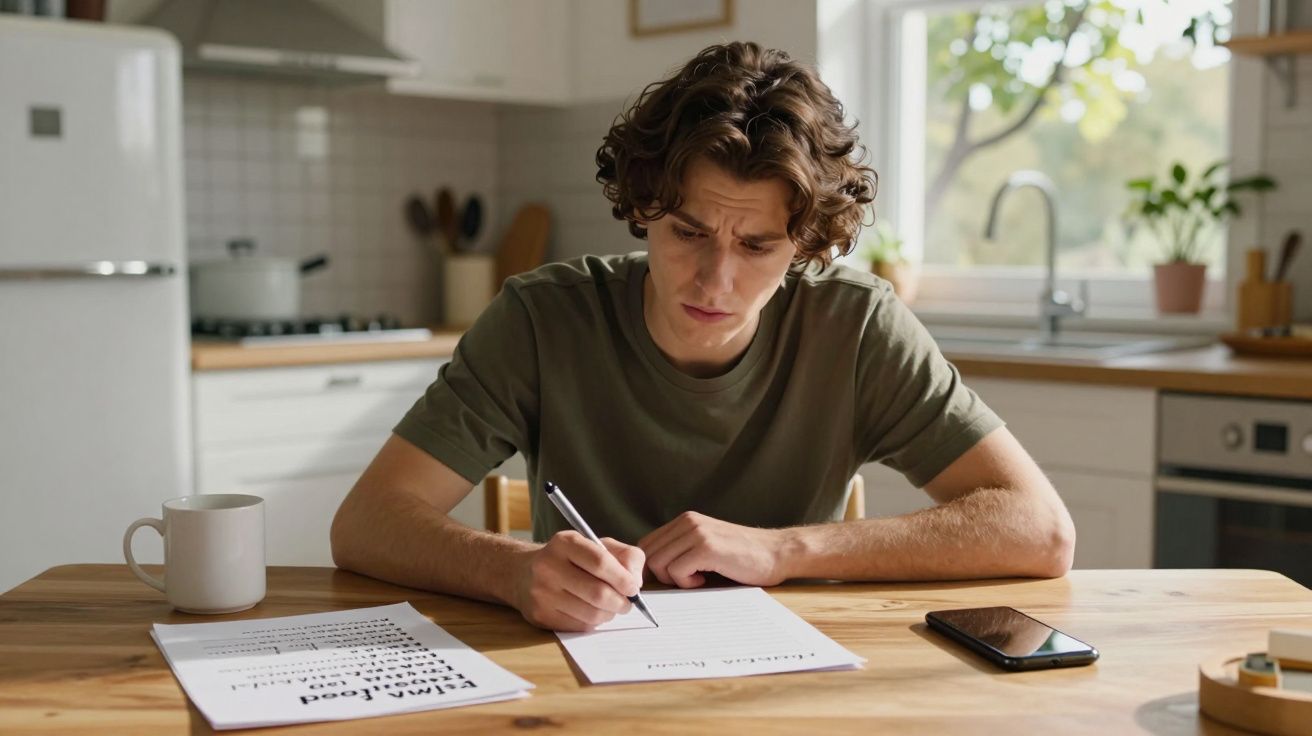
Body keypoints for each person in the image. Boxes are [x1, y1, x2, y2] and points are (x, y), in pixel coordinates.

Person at [331, 41, 1075, 632]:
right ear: (643, 207)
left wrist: (784, 550)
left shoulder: (857, 326)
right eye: (689, 232)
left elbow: (1040, 529)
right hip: (579, 677)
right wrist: (513, 572)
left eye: (756, 246)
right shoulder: (541, 319)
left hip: (793, 680)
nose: (715, 281)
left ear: (806, 243)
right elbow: (365, 522)